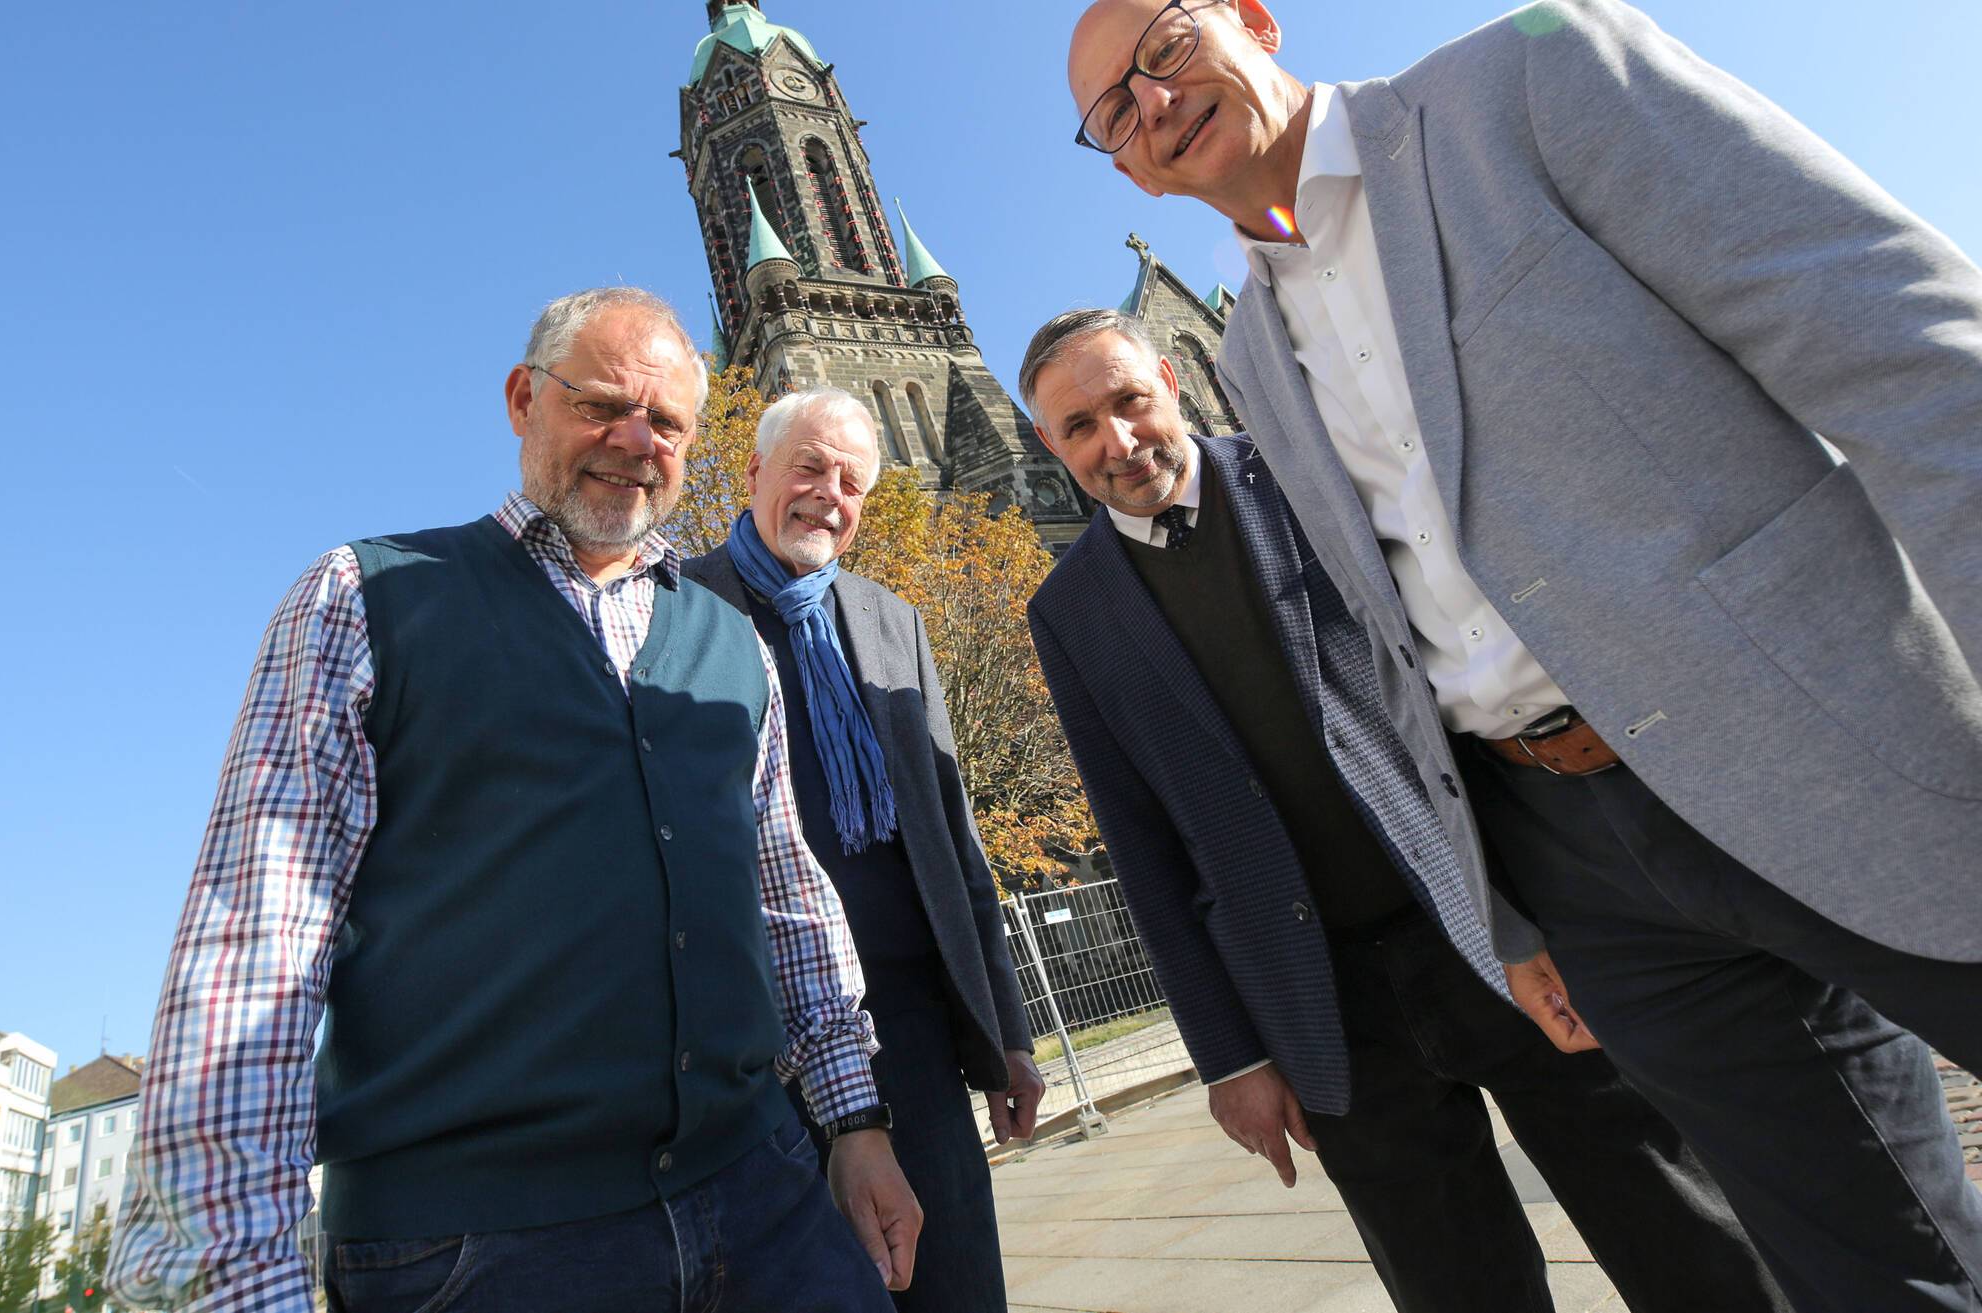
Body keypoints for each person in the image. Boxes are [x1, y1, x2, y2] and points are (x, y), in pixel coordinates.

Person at [1062, 1, 1982, 1308]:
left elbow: (1910, 353)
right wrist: (1498, 911)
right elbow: (1396, 647)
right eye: (1112, 113)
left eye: (1163, 46)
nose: (1149, 103)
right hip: (1591, 868)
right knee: (1875, 1274)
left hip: (1838, 745)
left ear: (1253, 19)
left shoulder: (1530, 82)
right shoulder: (1252, 354)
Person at [106, 288, 921, 1313]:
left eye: (666, 422)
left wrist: (853, 1122)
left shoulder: (730, 645)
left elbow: (788, 899)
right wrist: (234, 1282)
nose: (634, 440)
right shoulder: (363, 597)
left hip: (762, 1199)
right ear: (522, 398)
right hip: (474, 1246)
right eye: (601, 404)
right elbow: (254, 947)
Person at [1021, 310, 1782, 1313]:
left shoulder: (1304, 475)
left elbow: (1468, 689)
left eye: (1127, 401)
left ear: (1169, 377)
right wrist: (1228, 1052)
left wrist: (1569, 903)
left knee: (1673, 1219)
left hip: (1493, 929)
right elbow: (1141, 841)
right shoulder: (1066, 610)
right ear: (1049, 444)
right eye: (1078, 426)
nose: (1114, 441)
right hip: (1325, 999)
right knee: (1451, 1284)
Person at [686, 387, 1046, 1313]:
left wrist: (1006, 1031)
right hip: (754, 1050)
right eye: (808, 466)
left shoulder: (893, 621)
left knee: (955, 1286)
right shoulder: (674, 607)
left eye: (851, 481)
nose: (828, 494)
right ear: (755, 470)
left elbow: (955, 837)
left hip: (913, 1031)